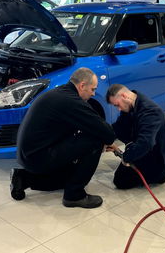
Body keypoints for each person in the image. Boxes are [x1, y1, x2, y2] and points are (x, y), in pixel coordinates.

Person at [10, 67, 116, 208]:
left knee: (69, 176)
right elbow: (107, 133)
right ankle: (74, 195)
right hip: (37, 157)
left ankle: (23, 178)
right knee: (95, 140)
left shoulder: (60, 93)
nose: (94, 94)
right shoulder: (72, 101)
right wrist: (105, 141)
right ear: (82, 85)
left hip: (30, 154)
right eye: (92, 89)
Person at [105, 84, 165, 189]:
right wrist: (104, 137)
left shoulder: (150, 112)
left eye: (117, 105)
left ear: (124, 96)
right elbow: (119, 127)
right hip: (145, 151)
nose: (118, 109)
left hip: (158, 164)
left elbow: (145, 143)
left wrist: (127, 157)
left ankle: (141, 165)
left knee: (120, 180)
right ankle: (133, 155)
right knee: (123, 127)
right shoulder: (132, 104)